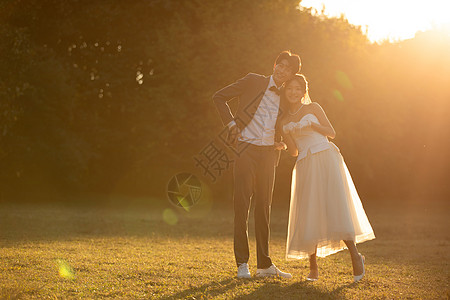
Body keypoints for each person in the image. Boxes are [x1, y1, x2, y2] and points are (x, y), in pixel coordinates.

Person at [213, 51, 300, 279]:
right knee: (242, 205)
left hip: (269, 155)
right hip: (245, 149)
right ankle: (243, 263)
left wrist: (281, 141)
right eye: (280, 65)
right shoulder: (254, 81)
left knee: (264, 207)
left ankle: (264, 265)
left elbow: (288, 122)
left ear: (292, 74)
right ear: (274, 65)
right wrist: (231, 124)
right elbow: (219, 97)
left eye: (287, 69)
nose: (282, 71)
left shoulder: (285, 96)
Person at [281, 74, 375, 282]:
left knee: (336, 205)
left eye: (298, 88)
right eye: (290, 89)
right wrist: (283, 142)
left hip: (325, 157)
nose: (294, 92)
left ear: (304, 91)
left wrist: (312, 126)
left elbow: (331, 132)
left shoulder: (313, 108)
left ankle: (355, 256)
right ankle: (313, 267)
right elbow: (294, 151)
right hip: (305, 163)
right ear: (285, 92)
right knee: (309, 211)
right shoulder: (284, 120)